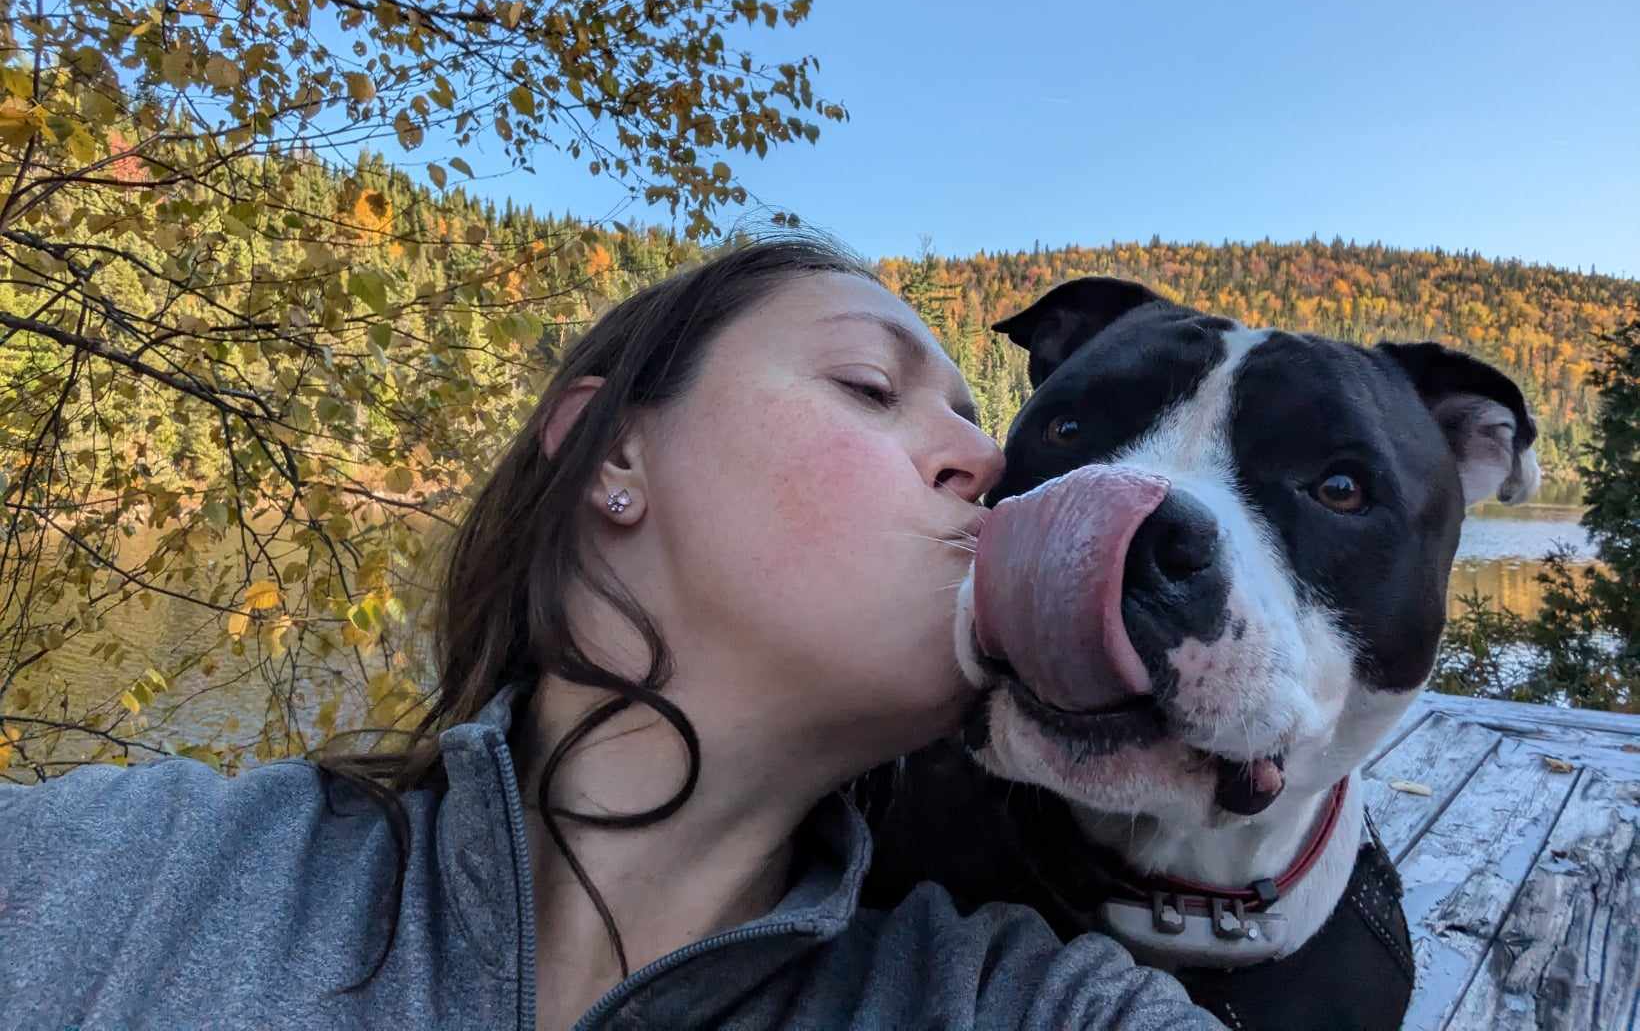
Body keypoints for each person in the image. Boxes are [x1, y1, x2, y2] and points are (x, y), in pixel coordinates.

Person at [0, 234, 1221, 1030]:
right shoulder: (129, 873)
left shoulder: (1018, 1001)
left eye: (976, 423)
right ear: (613, 452)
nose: (988, 463)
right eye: (867, 385)